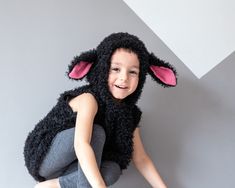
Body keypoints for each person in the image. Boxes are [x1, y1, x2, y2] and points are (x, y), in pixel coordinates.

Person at [24, 32, 177, 188]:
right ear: (102, 68)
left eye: (133, 72)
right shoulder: (88, 99)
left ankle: (55, 185)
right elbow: (81, 144)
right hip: (45, 157)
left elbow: (141, 159)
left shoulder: (129, 114)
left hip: (75, 167)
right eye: (115, 69)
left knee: (113, 169)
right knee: (96, 132)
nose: (124, 78)